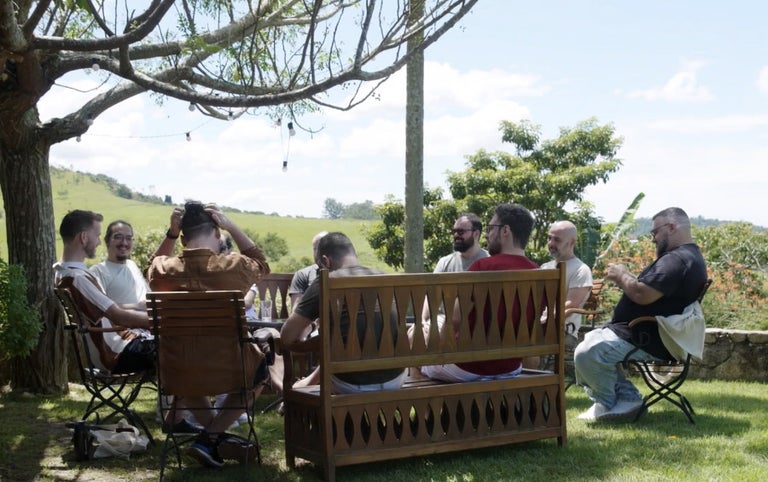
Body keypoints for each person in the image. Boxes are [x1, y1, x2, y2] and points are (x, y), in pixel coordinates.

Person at [147, 201, 271, 467]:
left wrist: (170, 233)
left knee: (187, 369)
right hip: (229, 370)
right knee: (261, 369)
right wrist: (232, 226)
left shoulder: (162, 270)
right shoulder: (234, 267)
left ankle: (211, 438)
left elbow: (150, 265)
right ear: (217, 233)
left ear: (182, 238)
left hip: (177, 371)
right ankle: (211, 437)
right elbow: (262, 263)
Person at [573, 207, 707, 422]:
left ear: (671, 227)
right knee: (592, 345)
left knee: (588, 352)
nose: (653, 239)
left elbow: (641, 293)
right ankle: (623, 399)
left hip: (647, 338)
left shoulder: (677, 260)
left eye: (655, 232)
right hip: (642, 333)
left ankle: (610, 402)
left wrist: (620, 275)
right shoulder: (687, 257)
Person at [418, 204, 539, 383]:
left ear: (505, 231)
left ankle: (432, 411)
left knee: (417, 359)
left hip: (467, 367)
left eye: (491, 228)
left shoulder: (482, 268)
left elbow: (455, 320)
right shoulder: (540, 274)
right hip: (512, 367)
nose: (487, 235)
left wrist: (439, 353)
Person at [280, 232, 407, 393]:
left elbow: (287, 337)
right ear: (355, 255)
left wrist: (318, 341)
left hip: (350, 382)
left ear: (325, 261)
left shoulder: (326, 281)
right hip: (395, 378)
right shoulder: (384, 277)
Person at [54, 210, 157, 376]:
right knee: (185, 344)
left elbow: (113, 312)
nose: (99, 242)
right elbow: (119, 316)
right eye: (97, 235)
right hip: (121, 352)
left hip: (118, 349)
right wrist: (164, 322)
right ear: (83, 237)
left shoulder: (63, 273)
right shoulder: (77, 278)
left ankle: (177, 401)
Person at [540, 220, 594, 339]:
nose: (551, 243)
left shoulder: (581, 270)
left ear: (572, 242)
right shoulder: (545, 267)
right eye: (549, 238)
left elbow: (571, 304)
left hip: (563, 330)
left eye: (557, 240)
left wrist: (544, 320)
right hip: (540, 326)